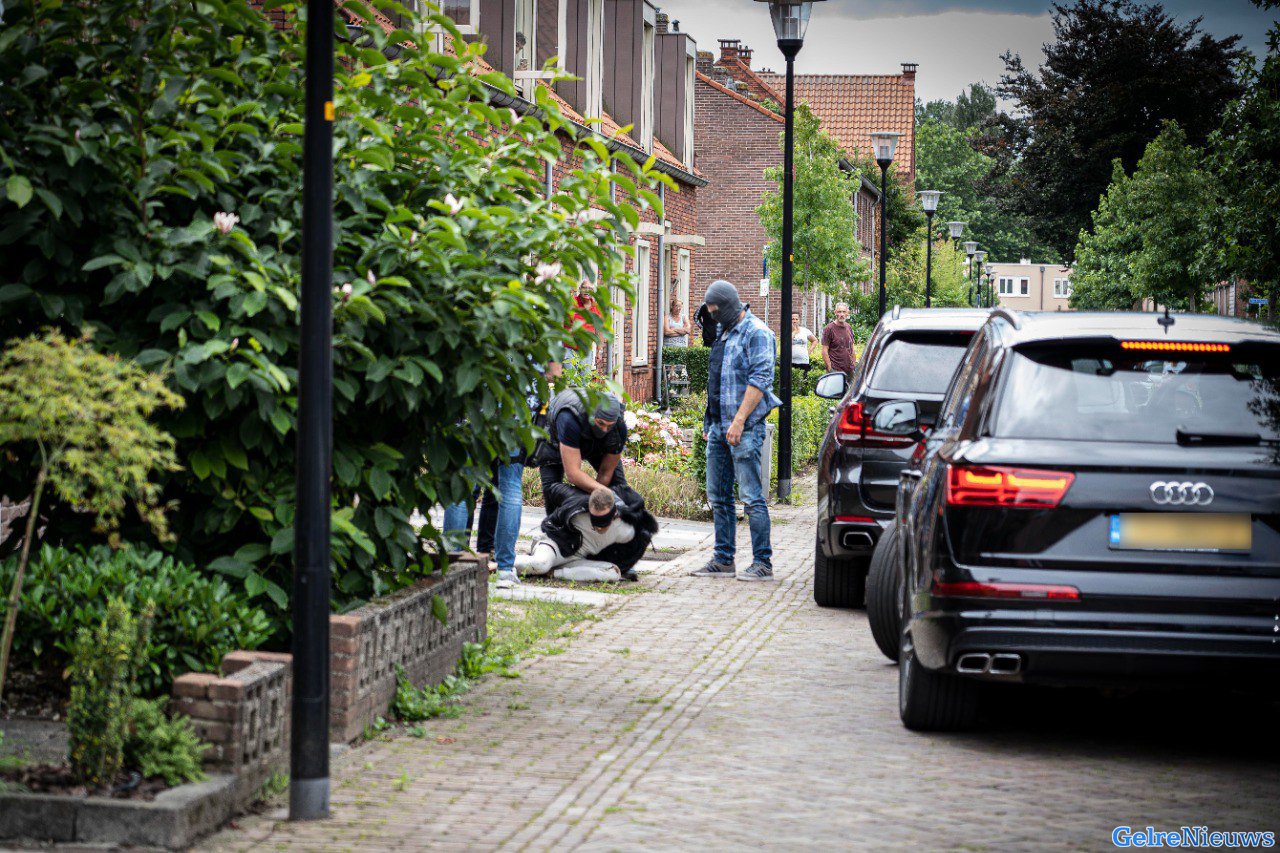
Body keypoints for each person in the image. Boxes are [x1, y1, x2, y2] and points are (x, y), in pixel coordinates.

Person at [690, 280, 781, 582]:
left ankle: (762, 563)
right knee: (718, 496)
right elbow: (716, 380)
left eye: (716, 311)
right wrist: (711, 423)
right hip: (718, 427)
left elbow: (761, 379)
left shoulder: (757, 333)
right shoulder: (724, 332)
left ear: (730, 306)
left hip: (745, 427)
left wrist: (739, 421)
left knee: (752, 496)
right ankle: (723, 559)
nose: (713, 318)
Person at [443, 362, 561, 590]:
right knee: (510, 489)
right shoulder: (540, 326)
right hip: (515, 416)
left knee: (462, 488)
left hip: (472, 411)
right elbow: (553, 373)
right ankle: (506, 570)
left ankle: (452, 565)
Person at [515, 486, 656, 582]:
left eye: (603, 522)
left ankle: (554, 573)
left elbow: (638, 543)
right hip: (556, 547)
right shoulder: (577, 507)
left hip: (577, 559)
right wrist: (566, 537)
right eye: (595, 521)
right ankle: (501, 564)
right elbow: (549, 522)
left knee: (613, 573)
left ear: (614, 515)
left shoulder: (625, 529)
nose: (598, 528)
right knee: (541, 564)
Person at [534, 387, 629, 515]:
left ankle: (609, 528)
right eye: (600, 423)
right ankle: (557, 528)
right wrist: (606, 494)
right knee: (552, 490)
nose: (604, 429)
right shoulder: (568, 418)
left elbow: (606, 473)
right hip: (555, 439)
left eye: (609, 425)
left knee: (617, 485)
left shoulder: (619, 427)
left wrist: (598, 500)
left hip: (596, 443)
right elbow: (573, 474)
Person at [822, 301, 857, 375]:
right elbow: (824, 351)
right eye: (839, 312)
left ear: (847, 313)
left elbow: (852, 348)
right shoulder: (829, 328)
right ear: (835, 312)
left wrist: (854, 365)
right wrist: (830, 368)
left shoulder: (848, 327)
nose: (842, 314)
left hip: (850, 370)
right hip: (835, 370)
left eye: (844, 312)